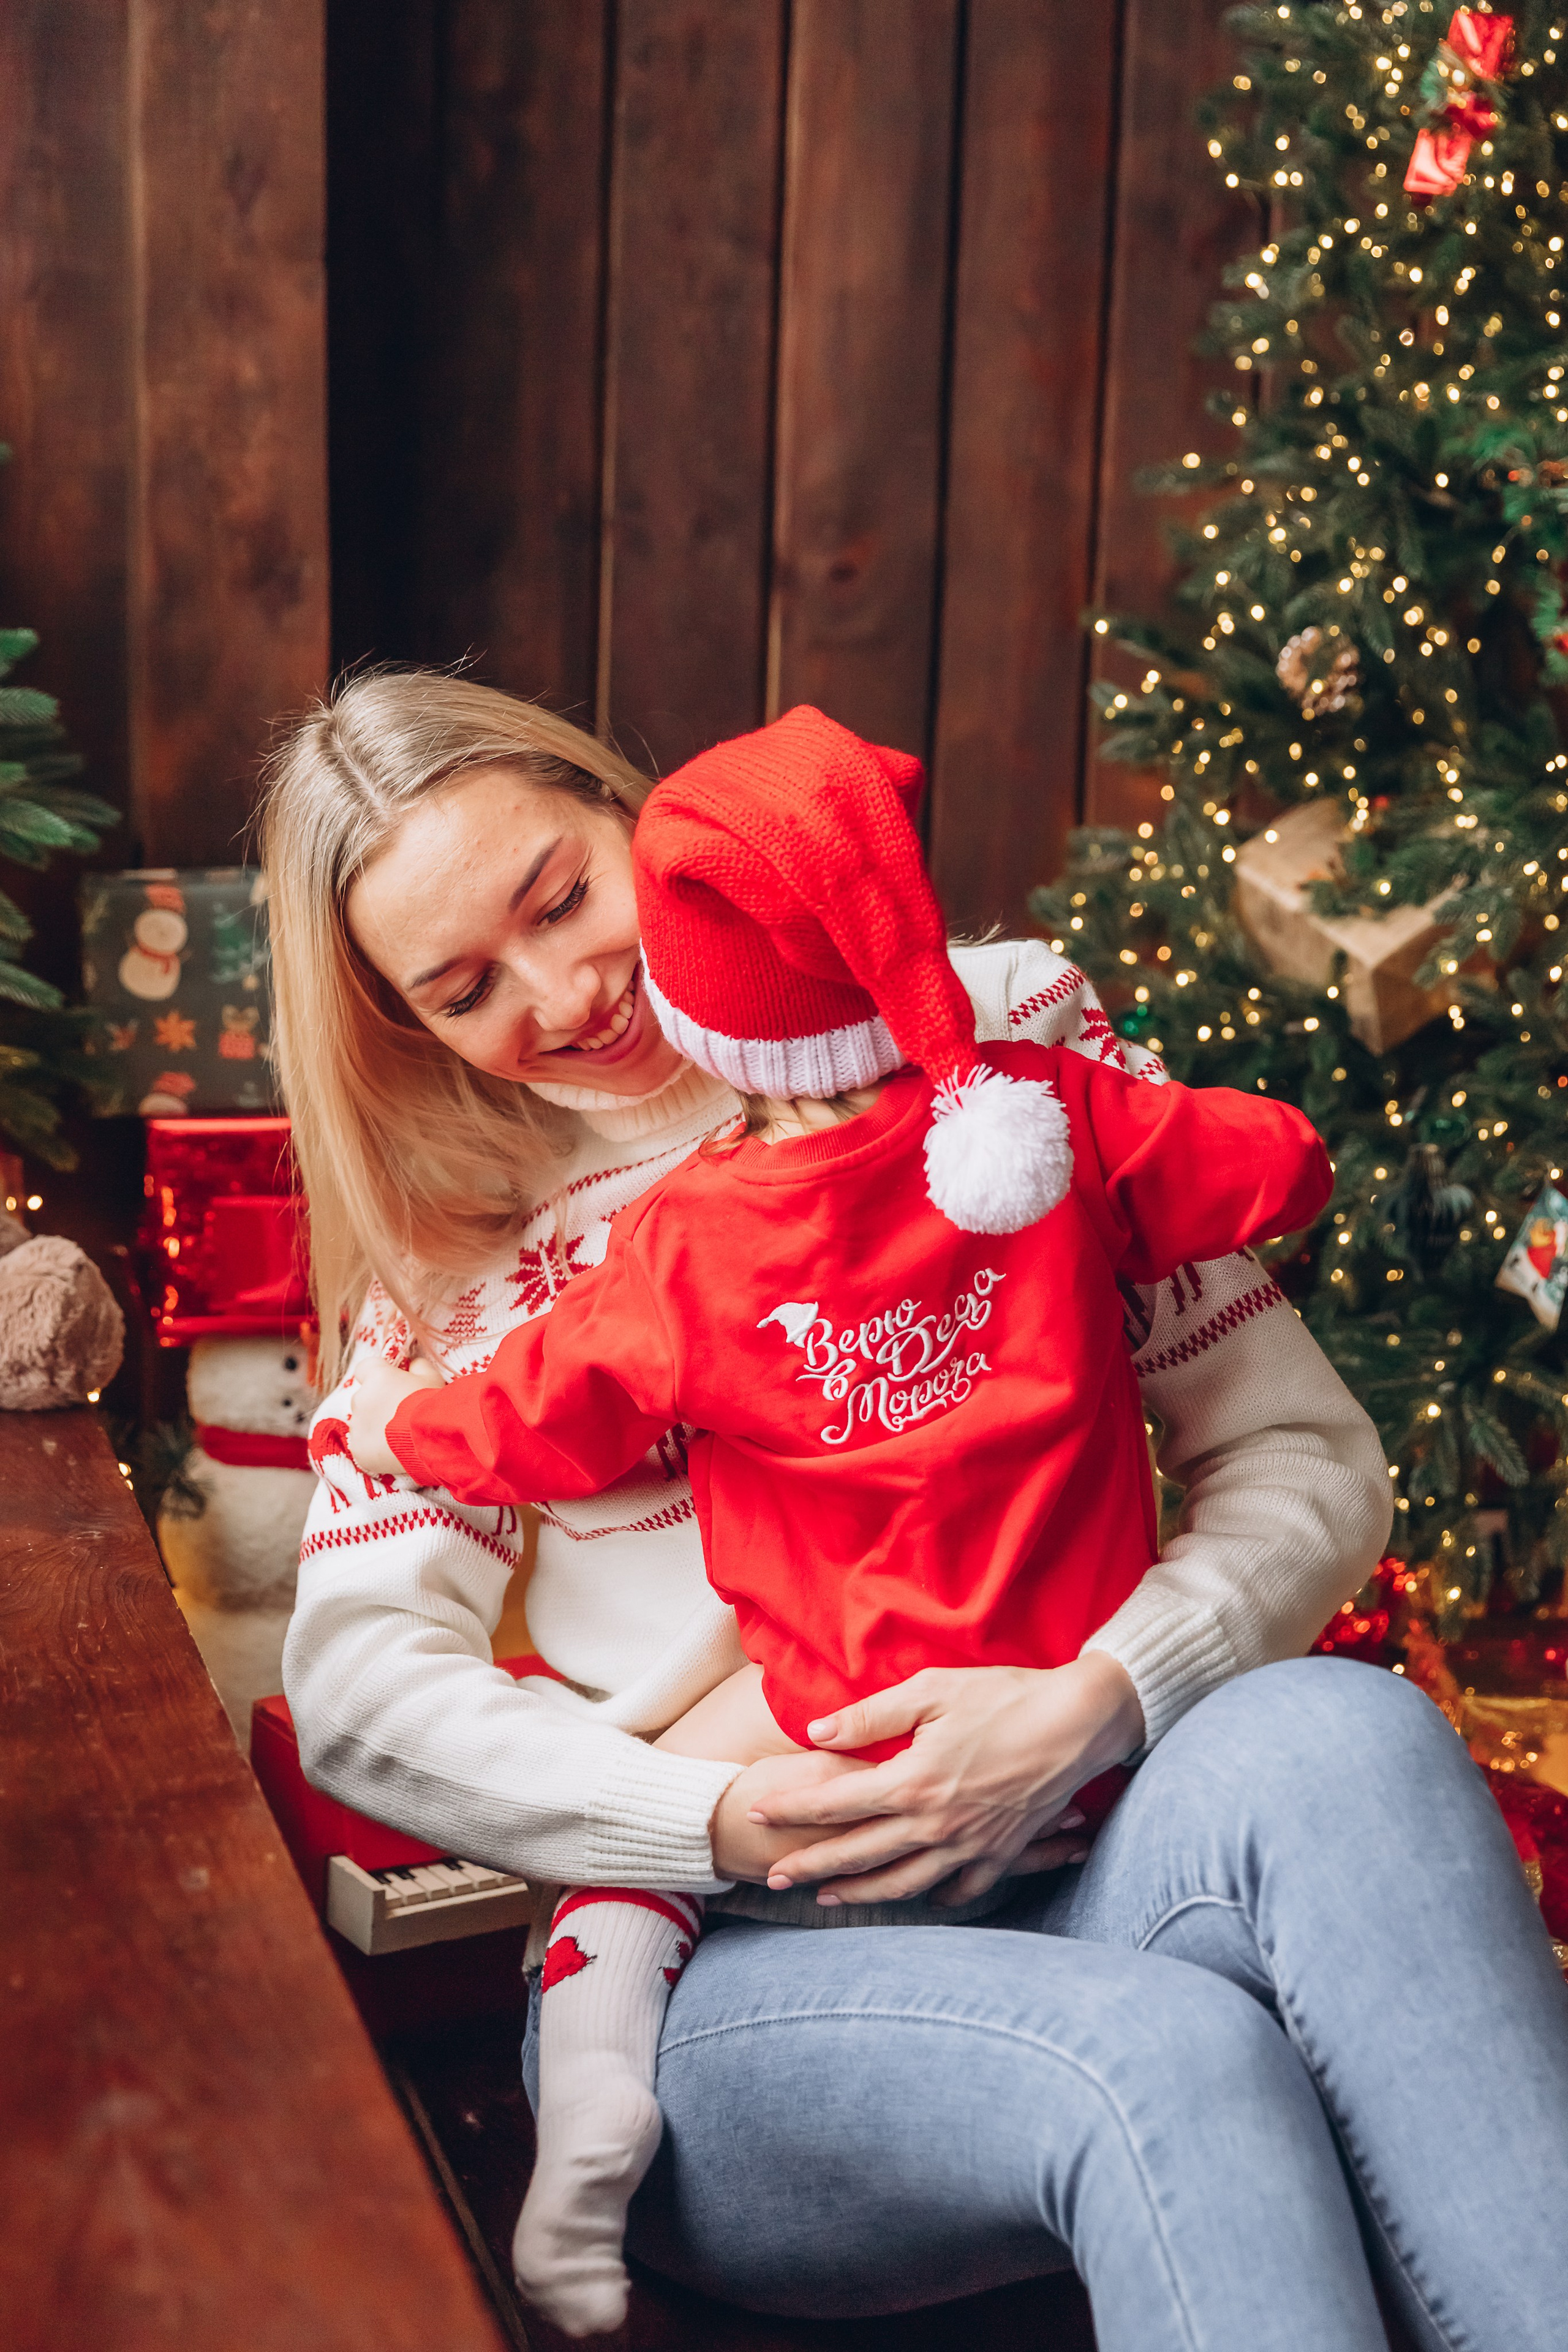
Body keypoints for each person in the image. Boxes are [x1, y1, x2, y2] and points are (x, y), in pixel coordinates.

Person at [266, 672, 1568, 2352]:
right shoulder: (459, 1264)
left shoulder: (1001, 1071)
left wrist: (1089, 1704)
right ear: (410, 1032)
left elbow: (1306, 1460)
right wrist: (710, 1820)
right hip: (731, 1972)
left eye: (565, 896)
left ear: (635, 817)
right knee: (1171, 2056)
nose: (566, 991)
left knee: (1355, 1742)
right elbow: (364, 1690)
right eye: (463, 989)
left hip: (1092, 1825)